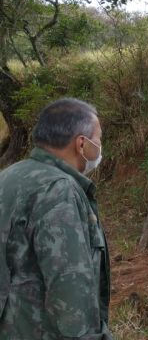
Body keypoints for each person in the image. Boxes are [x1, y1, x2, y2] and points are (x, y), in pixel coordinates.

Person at [0, 98, 112, 339]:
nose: (100, 148)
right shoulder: (58, 191)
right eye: (99, 140)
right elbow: (70, 288)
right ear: (82, 143)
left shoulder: (9, 176)